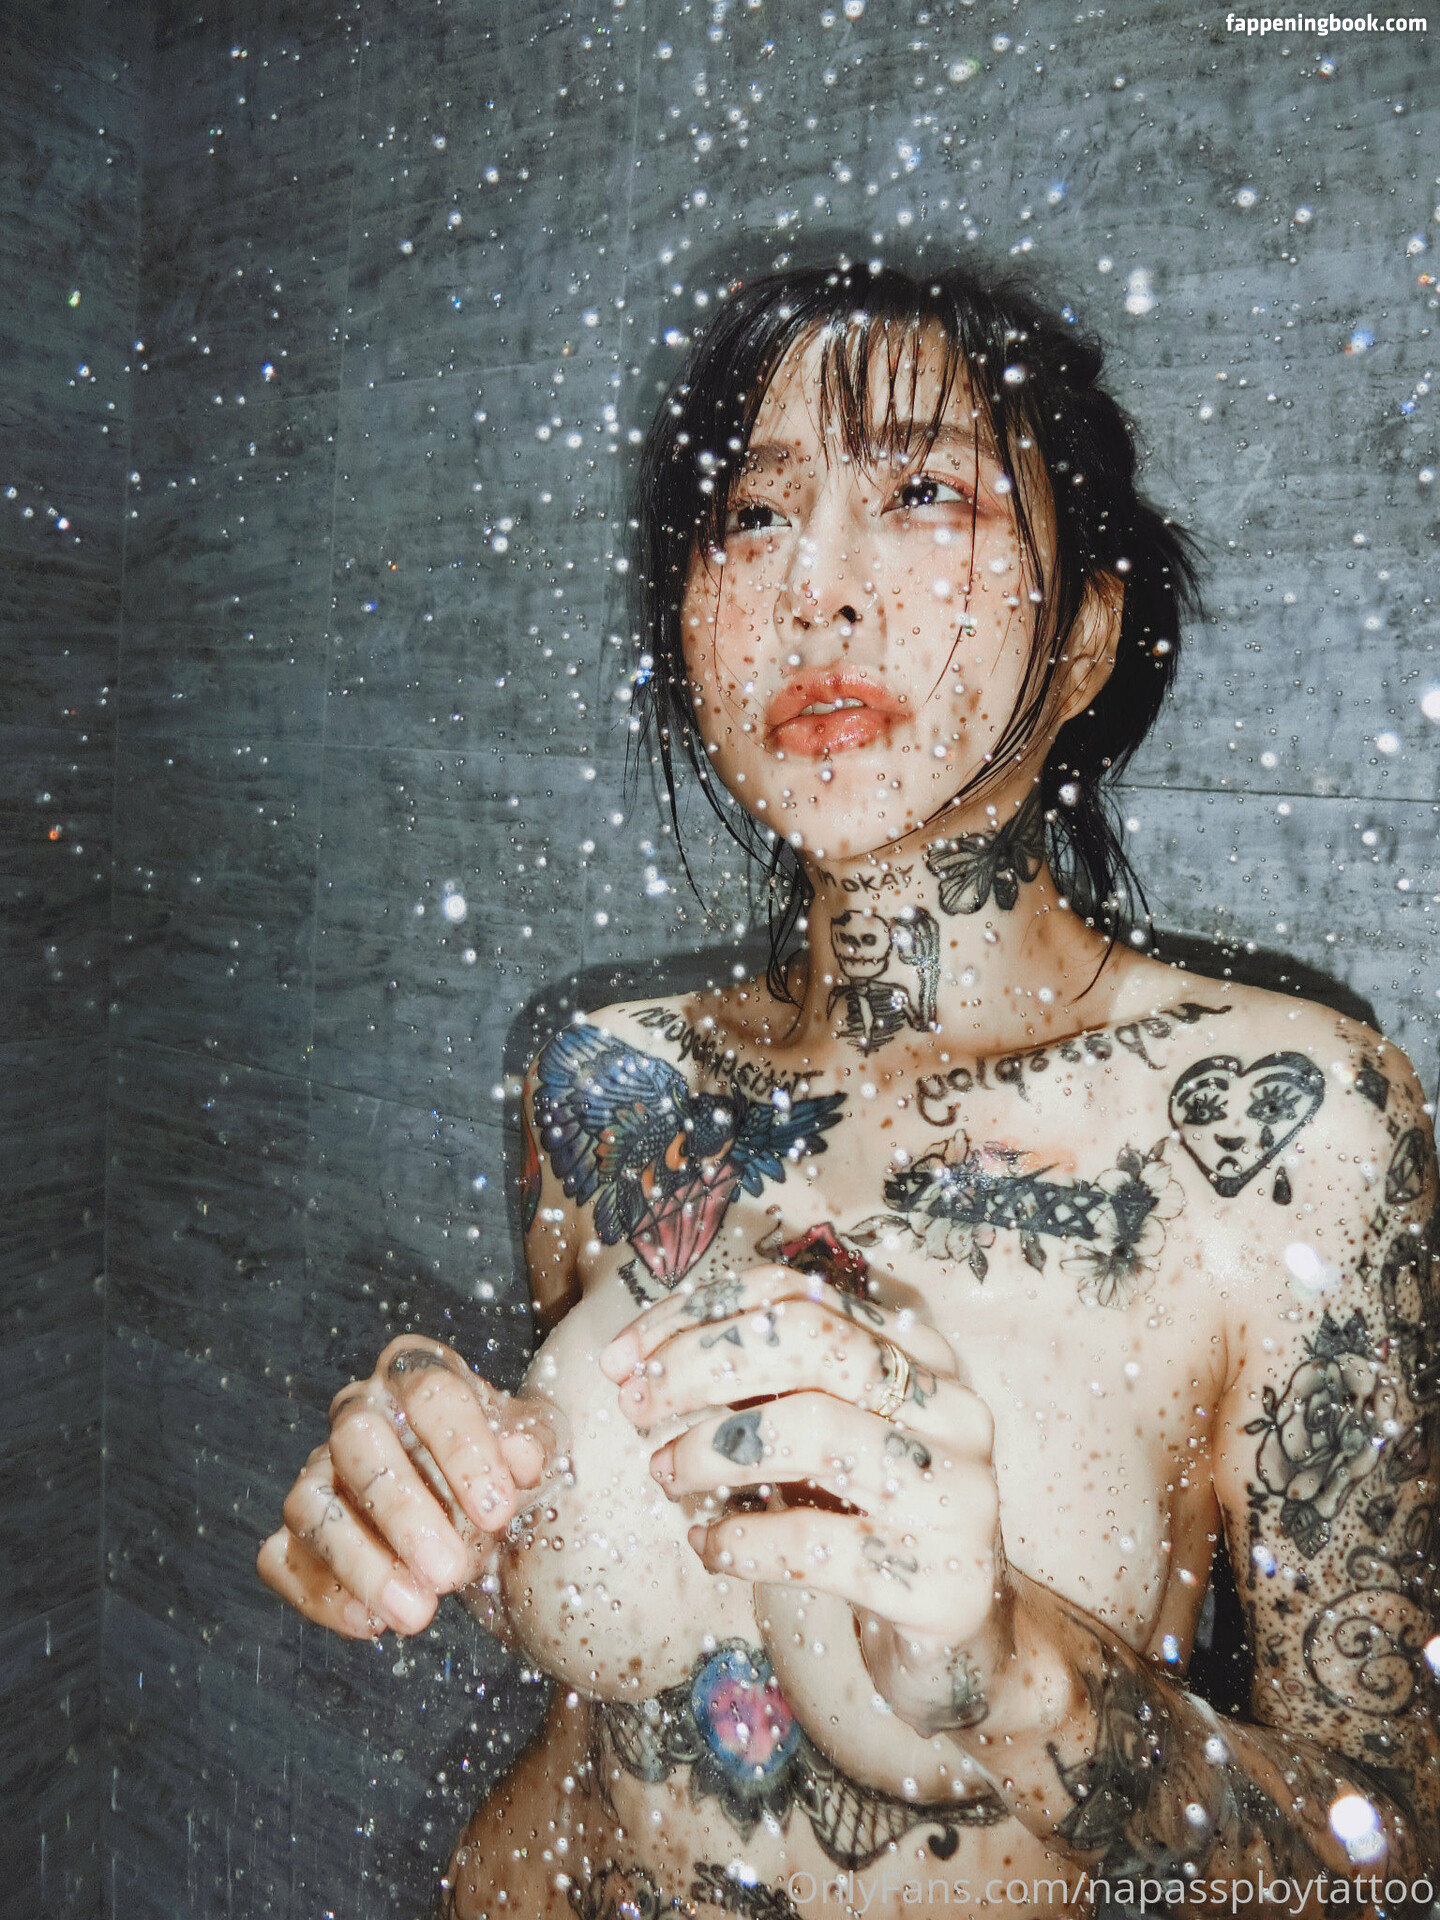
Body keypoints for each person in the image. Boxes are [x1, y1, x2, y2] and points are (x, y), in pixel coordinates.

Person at [257, 262, 1440, 1920]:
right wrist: (425, 1486)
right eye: (750, 517)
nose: (816, 592)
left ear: (1088, 636)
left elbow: (1396, 1868)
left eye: (923, 494)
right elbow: (625, 1715)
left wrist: (1020, 1674)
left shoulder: (1284, 1126)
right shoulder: (607, 1077)